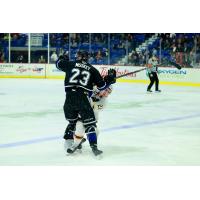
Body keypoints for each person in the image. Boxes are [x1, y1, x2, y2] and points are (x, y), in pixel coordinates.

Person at [56, 51, 116, 156]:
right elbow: (102, 86)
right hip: (82, 99)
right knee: (90, 125)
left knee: (72, 123)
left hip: (69, 98)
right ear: (88, 58)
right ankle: (94, 147)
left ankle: (71, 143)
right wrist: (110, 80)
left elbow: (58, 64)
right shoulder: (93, 70)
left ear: (77, 57)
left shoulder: (70, 64)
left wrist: (62, 58)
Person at [64, 85, 113, 153]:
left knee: (96, 132)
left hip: (91, 118)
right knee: (79, 129)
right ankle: (75, 144)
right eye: (106, 90)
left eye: (109, 92)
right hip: (80, 116)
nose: (106, 93)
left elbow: (92, 108)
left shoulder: (104, 102)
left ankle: (93, 146)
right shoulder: (93, 89)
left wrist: (92, 97)